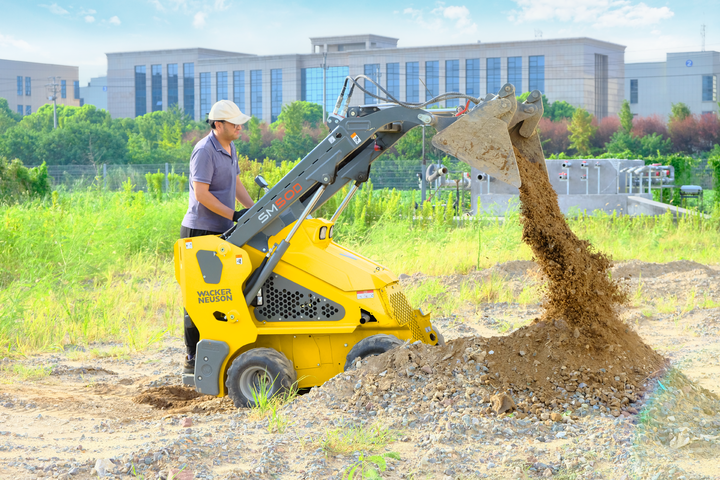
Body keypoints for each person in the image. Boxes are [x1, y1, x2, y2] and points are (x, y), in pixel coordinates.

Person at [180, 100, 254, 374]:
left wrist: (253, 210)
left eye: (240, 123)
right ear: (218, 124)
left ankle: (218, 352)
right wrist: (234, 215)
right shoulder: (204, 151)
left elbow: (235, 182)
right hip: (200, 231)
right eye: (234, 123)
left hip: (221, 230)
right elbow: (201, 194)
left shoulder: (230, 147)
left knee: (221, 295)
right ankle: (192, 357)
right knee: (199, 297)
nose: (239, 128)